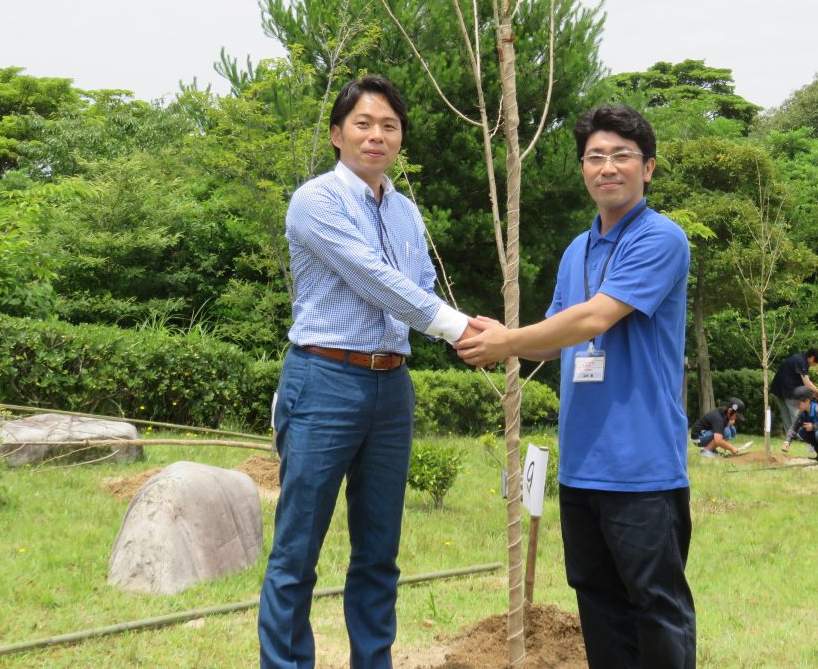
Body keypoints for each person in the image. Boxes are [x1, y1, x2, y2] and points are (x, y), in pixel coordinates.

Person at [458, 104, 696, 669]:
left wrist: (508, 342)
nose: (607, 167)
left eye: (621, 156)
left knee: (655, 606)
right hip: (582, 466)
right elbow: (554, 340)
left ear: (648, 168)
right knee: (598, 604)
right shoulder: (576, 250)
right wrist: (500, 336)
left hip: (642, 468)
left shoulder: (660, 238)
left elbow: (593, 318)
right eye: (595, 157)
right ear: (583, 169)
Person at [258, 75, 476, 669]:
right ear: (337, 134)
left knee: (379, 551)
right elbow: (373, 279)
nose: (376, 135)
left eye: (389, 125)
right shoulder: (315, 201)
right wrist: (458, 327)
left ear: (400, 138)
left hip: (392, 387)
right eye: (363, 123)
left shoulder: (406, 212)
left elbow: (419, 285)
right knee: (296, 551)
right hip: (323, 379)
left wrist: (472, 330)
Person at [772, 347, 818, 432]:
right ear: (812, 358)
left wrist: (814, 392)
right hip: (789, 391)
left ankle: (790, 436)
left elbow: (805, 381)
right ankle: (799, 436)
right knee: (797, 417)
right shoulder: (801, 362)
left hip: (779, 390)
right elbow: (808, 384)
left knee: (787, 418)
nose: (815, 365)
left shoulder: (799, 358)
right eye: (816, 362)